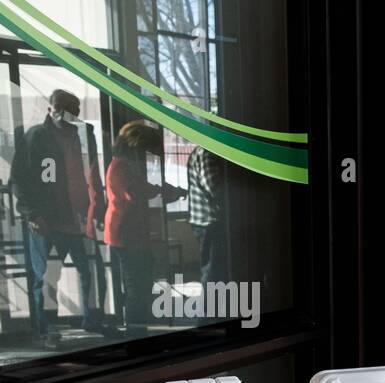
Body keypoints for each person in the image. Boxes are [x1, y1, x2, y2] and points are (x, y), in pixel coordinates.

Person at [12, 89, 109, 349]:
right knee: (46, 278)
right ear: (50, 110)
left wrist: (97, 210)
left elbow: (93, 172)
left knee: (90, 272)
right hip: (48, 222)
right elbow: (20, 179)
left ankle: (92, 321)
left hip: (78, 219)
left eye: (69, 111)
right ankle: (47, 331)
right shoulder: (36, 136)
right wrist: (32, 214)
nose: (64, 115)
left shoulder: (84, 133)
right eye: (59, 110)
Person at [104, 120, 184, 336]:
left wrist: (160, 190)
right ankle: (135, 335)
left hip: (132, 233)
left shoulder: (125, 164)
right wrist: (160, 190)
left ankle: (138, 333)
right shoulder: (120, 166)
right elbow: (134, 192)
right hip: (125, 234)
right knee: (136, 289)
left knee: (140, 285)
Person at [187, 146, 227, 288]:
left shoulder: (202, 151)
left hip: (205, 221)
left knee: (214, 269)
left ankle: (212, 307)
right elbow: (214, 187)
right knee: (213, 271)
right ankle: (208, 308)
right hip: (209, 221)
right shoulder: (207, 152)